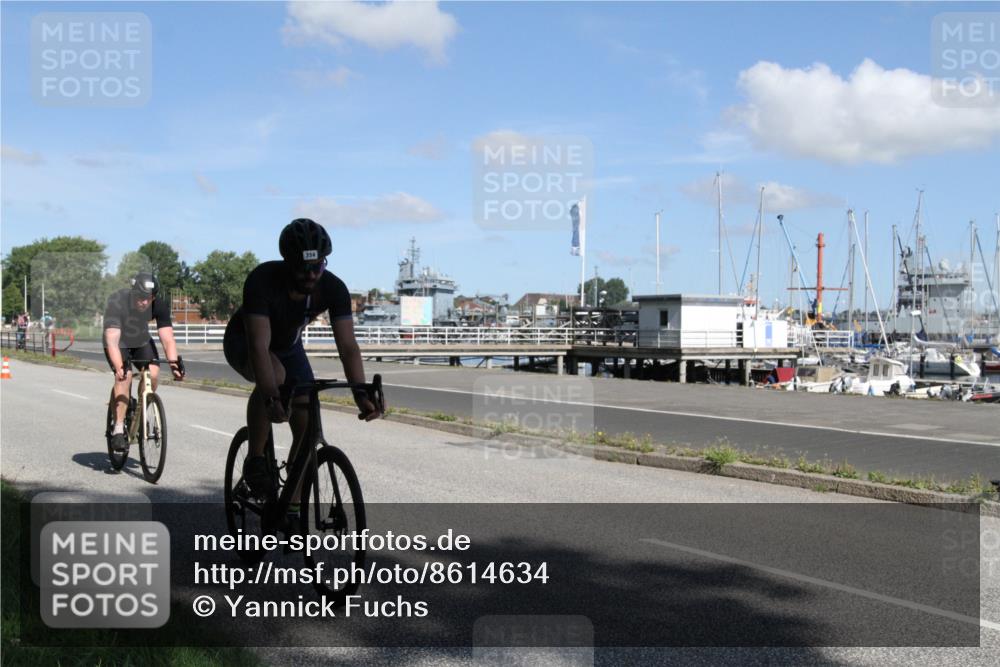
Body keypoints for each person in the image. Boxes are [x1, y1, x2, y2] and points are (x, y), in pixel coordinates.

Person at [224, 219, 380, 524]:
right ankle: (256, 458)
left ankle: (292, 506)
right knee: (276, 376)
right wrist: (271, 397)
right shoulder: (262, 280)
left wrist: (360, 392)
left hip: (288, 346)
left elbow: (348, 347)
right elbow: (259, 347)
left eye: (318, 267)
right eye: (303, 268)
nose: (311, 275)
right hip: (245, 340)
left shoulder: (333, 288)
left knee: (307, 418)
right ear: (287, 263)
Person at [104, 272, 185, 451]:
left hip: (140, 339)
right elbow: (111, 340)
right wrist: (119, 367)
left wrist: (174, 365)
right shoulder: (118, 302)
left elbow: (168, 339)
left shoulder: (159, 305)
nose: (145, 302)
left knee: (153, 373)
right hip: (118, 342)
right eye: (141, 298)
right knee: (124, 377)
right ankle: (118, 428)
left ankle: (140, 408)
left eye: (149, 298)